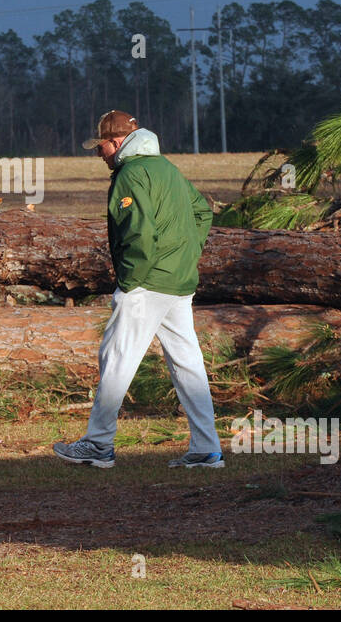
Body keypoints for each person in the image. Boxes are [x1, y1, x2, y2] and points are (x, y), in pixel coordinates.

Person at [53, 110, 225, 469]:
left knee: (116, 357)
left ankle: (99, 445)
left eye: (99, 147)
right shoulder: (167, 169)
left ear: (116, 143)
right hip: (178, 283)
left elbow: (139, 234)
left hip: (146, 285)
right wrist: (186, 254)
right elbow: (203, 213)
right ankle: (207, 449)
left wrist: (130, 280)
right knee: (187, 364)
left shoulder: (130, 175)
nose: (98, 155)